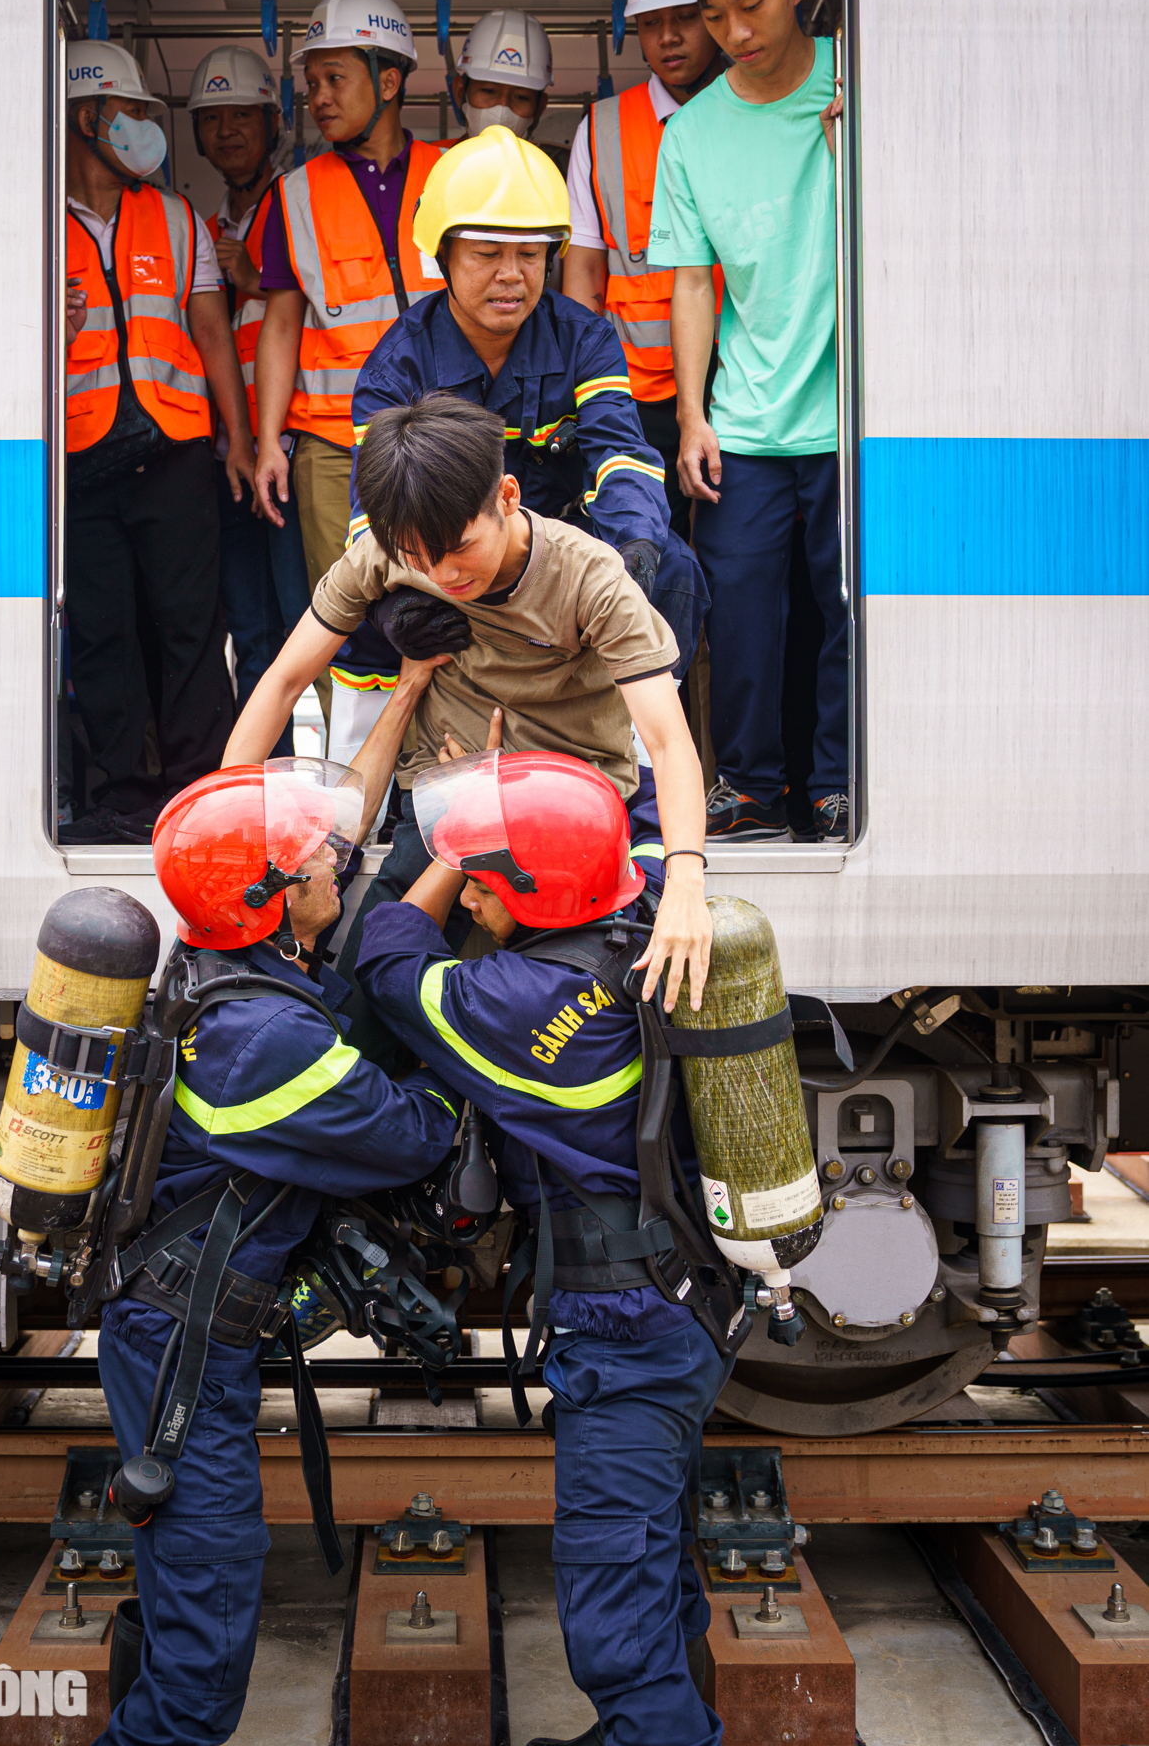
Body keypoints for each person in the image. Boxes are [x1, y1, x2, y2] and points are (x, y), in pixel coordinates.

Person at [99, 674, 463, 1746]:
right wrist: (464, 1057)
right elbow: (412, 1132)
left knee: (191, 1582)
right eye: (312, 863)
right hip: (183, 1347)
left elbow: (346, 899)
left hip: (173, 1318)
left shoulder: (227, 967)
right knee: (209, 1615)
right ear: (269, 897)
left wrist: (401, 702)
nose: (332, 863)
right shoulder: (269, 1045)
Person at [355, 748, 722, 1746]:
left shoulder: (518, 1005)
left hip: (624, 1330)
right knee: (653, 1554)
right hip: (680, 1300)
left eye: (484, 874)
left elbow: (386, 962)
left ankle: (660, 1733)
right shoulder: (643, 903)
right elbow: (636, 810)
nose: (471, 889)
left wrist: (437, 854)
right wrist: (496, 795)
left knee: (614, 1608)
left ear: (539, 890)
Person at [223, 394, 713, 1054]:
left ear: (507, 496)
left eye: (458, 550)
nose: (443, 575)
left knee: (539, 1028)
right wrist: (226, 828)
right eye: (417, 559)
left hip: (566, 825)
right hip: (442, 803)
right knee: (369, 1007)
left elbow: (665, 740)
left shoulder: (588, 576)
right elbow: (282, 681)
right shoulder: (383, 553)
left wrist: (686, 883)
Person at [326, 128, 707, 781]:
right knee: (368, 614)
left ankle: (641, 773)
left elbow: (619, 453)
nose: (511, 274)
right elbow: (375, 515)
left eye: (531, 254)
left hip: (559, 561)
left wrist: (634, 551)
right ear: (442, 256)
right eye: (487, 254)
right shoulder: (397, 362)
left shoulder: (584, 337)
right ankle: (357, 793)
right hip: (447, 566)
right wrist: (401, 600)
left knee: (673, 570)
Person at [649, 0, 847, 842]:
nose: (734, 33)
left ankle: (840, 780)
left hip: (858, 418)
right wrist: (692, 415)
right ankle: (753, 789)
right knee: (739, 619)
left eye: (752, 4)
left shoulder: (858, 87)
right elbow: (693, 284)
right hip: (749, 420)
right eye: (713, 14)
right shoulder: (690, 137)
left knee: (852, 608)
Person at [61, 40, 251, 844]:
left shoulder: (176, 217)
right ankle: (120, 796)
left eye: (147, 113)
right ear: (84, 115)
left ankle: (196, 792)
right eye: (132, 112)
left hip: (176, 451)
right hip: (79, 460)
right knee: (102, 630)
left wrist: (237, 439)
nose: (145, 127)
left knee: (190, 628)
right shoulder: (27, 224)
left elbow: (212, 332)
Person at [248, 0, 447, 725]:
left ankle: (441, 776)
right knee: (343, 614)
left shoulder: (454, 175)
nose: (318, 98)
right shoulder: (292, 195)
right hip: (334, 446)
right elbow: (281, 324)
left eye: (334, 79)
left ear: (388, 81)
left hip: (444, 437)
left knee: (451, 602)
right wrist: (270, 440)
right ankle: (352, 782)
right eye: (313, 83)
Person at [562, 0, 727, 775]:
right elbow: (583, 283)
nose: (667, 37)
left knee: (734, 592)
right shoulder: (599, 130)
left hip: (743, 400)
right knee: (648, 584)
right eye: (651, 21)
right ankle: (655, 769)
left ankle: (729, 771)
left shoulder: (752, 115)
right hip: (634, 407)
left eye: (685, 18)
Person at [186, 45, 309, 749]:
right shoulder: (192, 227)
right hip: (221, 453)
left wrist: (257, 276)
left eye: (242, 116)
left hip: (292, 445)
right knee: (250, 627)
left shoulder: (297, 208)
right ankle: (268, 785)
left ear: (273, 122)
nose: (227, 130)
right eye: (212, 118)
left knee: (305, 621)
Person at [449, 8, 555, 141]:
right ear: (459, 92)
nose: (503, 107)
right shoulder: (429, 160)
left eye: (521, 97)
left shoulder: (544, 163)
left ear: (540, 107)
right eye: (489, 91)